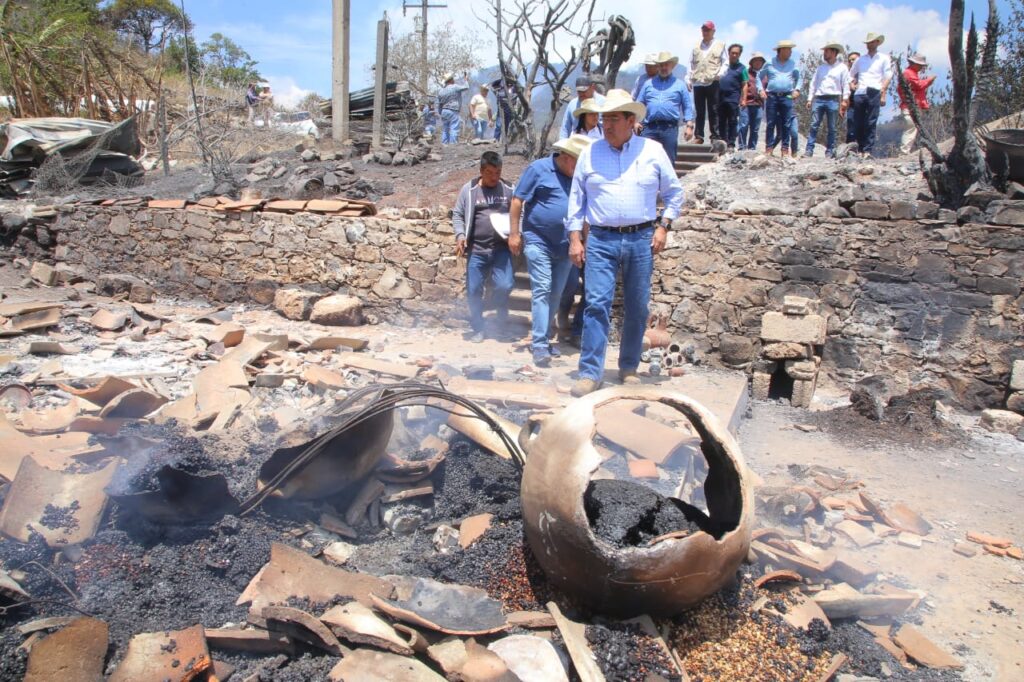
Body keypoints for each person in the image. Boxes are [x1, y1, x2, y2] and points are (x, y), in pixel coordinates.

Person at [565, 90, 684, 397]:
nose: (607, 124)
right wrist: (575, 238)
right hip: (601, 238)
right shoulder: (590, 153)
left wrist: (663, 227)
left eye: (614, 118)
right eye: (604, 118)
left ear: (631, 120)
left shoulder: (652, 151)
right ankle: (590, 372)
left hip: (641, 238)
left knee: (637, 306)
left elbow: (675, 193)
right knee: (596, 305)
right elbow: (576, 200)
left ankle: (628, 367)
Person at [508, 134, 594, 366]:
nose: (580, 168)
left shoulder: (579, 176)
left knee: (557, 292)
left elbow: (585, 210)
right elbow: (517, 201)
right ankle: (538, 344)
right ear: (565, 157)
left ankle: (544, 339)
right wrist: (515, 233)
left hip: (566, 244)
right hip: (538, 240)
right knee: (543, 289)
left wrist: (583, 242)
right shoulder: (538, 169)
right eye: (578, 162)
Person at [453, 151, 515, 342]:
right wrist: (460, 235)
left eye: (498, 172)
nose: (494, 177)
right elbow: (457, 214)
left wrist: (515, 234)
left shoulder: (509, 189)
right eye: (489, 173)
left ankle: (500, 322)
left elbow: (519, 213)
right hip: (477, 250)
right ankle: (479, 327)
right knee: (473, 290)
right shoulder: (469, 190)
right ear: (481, 171)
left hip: (501, 249)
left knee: (505, 284)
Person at [635, 51, 696, 163]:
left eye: (666, 64)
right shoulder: (648, 84)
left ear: (672, 66)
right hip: (649, 128)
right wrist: (636, 120)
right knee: (646, 160)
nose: (664, 67)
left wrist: (689, 126)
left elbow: (687, 106)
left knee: (668, 161)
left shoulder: (680, 85)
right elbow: (640, 103)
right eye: (661, 65)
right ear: (658, 66)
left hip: (669, 128)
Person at [849, 33, 893, 156]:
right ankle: (860, 148)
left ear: (877, 43)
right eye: (868, 42)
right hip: (860, 91)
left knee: (871, 121)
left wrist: (883, 88)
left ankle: (867, 150)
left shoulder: (883, 58)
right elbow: (851, 74)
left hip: (874, 90)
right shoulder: (860, 59)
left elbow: (888, 74)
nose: (870, 45)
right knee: (858, 121)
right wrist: (851, 84)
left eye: (872, 42)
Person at [805, 42, 850, 158]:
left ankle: (830, 151)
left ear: (834, 52)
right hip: (819, 98)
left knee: (832, 127)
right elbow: (813, 83)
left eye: (827, 51)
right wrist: (810, 99)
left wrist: (845, 99)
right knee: (814, 124)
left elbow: (846, 84)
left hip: (833, 99)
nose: (824, 53)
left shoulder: (842, 68)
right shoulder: (821, 68)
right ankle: (809, 150)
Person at [688, 21, 727, 144]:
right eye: (704, 30)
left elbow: (725, 62)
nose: (705, 32)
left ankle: (714, 136)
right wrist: (688, 78)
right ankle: (699, 136)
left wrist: (720, 74)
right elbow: (690, 62)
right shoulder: (695, 45)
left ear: (713, 31)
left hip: (712, 81)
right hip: (698, 81)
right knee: (699, 110)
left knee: (713, 109)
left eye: (708, 30)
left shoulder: (720, 45)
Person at [761, 40, 801, 157]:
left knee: (786, 123)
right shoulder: (769, 63)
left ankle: (785, 149)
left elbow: (799, 78)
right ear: (781, 50)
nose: (790, 51)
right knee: (770, 123)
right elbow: (760, 77)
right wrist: (761, 90)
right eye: (788, 49)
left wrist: (797, 89)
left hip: (787, 96)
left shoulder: (793, 64)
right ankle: (769, 148)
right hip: (772, 96)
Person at [897, 53, 935, 155]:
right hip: (909, 106)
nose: (921, 67)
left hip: (913, 105)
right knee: (911, 126)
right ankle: (904, 151)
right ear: (914, 63)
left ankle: (906, 150)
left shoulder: (911, 73)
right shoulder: (908, 73)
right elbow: (918, 85)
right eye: (920, 65)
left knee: (913, 127)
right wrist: (929, 80)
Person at [717, 44, 749, 151]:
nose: (734, 55)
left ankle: (731, 144)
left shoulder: (742, 68)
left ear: (740, 54)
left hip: (733, 98)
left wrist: (744, 99)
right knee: (721, 121)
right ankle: (722, 142)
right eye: (732, 53)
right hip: (720, 97)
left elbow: (745, 84)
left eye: (737, 53)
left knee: (732, 121)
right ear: (729, 53)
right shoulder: (722, 66)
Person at [738, 52, 766, 150]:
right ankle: (741, 147)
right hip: (746, 103)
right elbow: (742, 86)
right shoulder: (746, 72)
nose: (758, 62)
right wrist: (742, 100)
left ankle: (752, 148)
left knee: (755, 128)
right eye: (756, 60)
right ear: (752, 62)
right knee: (743, 125)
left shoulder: (765, 75)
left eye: (760, 61)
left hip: (758, 104)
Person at [436, 72, 470, 145]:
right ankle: (453, 145)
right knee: (454, 128)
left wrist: (440, 113)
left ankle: (444, 144)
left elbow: (440, 104)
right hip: (453, 110)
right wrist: (466, 80)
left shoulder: (441, 91)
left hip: (444, 111)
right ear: (451, 80)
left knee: (445, 129)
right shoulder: (454, 87)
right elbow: (466, 87)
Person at [490, 71, 519, 141]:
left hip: (510, 107)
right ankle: (495, 139)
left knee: (508, 125)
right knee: (499, 125)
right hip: (501, 106)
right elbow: (492, 86)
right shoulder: (500, 83)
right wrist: (497, 93)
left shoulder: (514, 86)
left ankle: (505, 140)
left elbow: (519, 91)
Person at [845, 51, 860, 144]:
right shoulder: (846, 74)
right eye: (849, 60)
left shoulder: (865, 74)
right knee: (851, 126)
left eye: (853, 60)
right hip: (851, 104)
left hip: (863, 104)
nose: (851, 62)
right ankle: (850, 148)